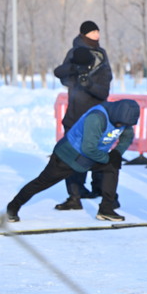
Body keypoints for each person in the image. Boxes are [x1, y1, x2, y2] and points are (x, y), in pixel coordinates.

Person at [6, 99, 140, 223]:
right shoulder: (96, 118)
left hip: (90, 158)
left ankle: (106, 209)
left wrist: (116, 153)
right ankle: (12, 207)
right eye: (119, 124)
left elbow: (128, 136)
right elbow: (88, 149)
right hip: (67, 156)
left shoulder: (124, 119)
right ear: (116, 115)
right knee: (41, 183)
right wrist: (107, 158)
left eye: (124, 125)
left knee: (112, 167)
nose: (121, 126)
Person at [52, 21, 112, 208]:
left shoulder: (101, 55)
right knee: (72, 153)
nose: (97, 34)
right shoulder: (74, 52)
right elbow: (61, 74)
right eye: (93, 31)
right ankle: (74, 195)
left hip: (96, 112)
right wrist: (76, 70)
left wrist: (89, 84)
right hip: (76, 111)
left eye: (98, 30)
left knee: (95, 151)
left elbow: (105, 87)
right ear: (84, 33)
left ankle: (95, 188)